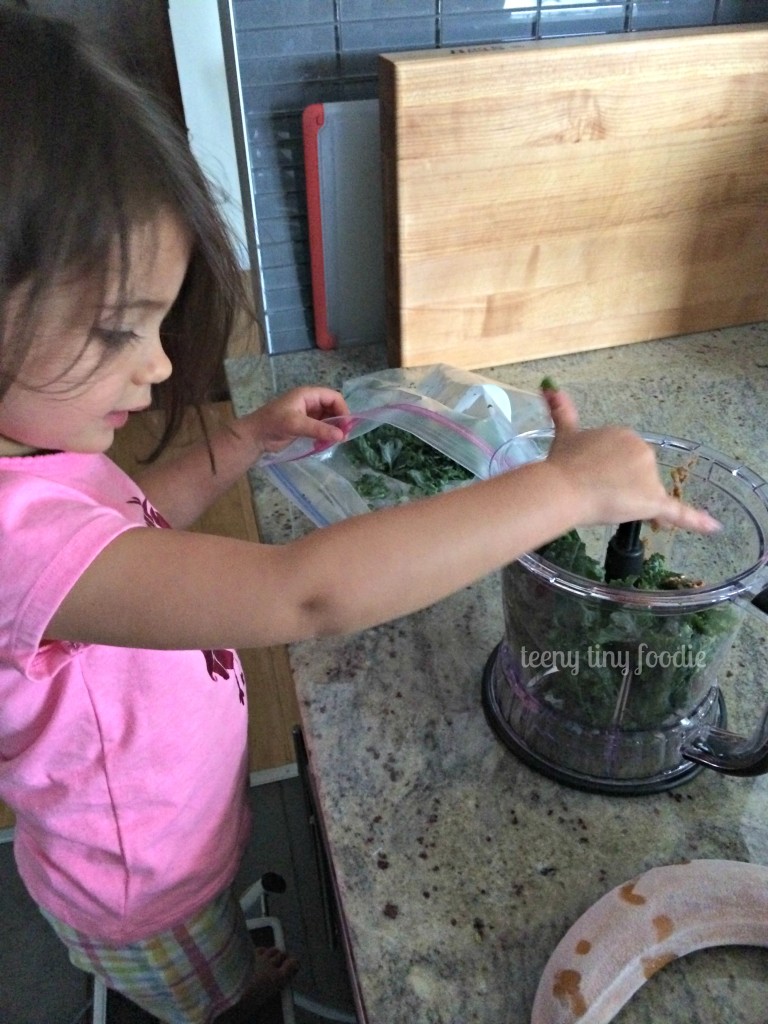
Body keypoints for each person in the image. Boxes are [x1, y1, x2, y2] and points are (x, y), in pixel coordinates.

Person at [0, 8, 719, 1024]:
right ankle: (241, 996)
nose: (160, 366)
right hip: (139, 891)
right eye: (119, 332)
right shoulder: (8, 540)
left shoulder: (35, 464)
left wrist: (243, 441)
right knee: (215, 995)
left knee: (223, 900)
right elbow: (302, 592)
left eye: (159, 323)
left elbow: (126, 525)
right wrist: (561, 491)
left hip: (174, 822)